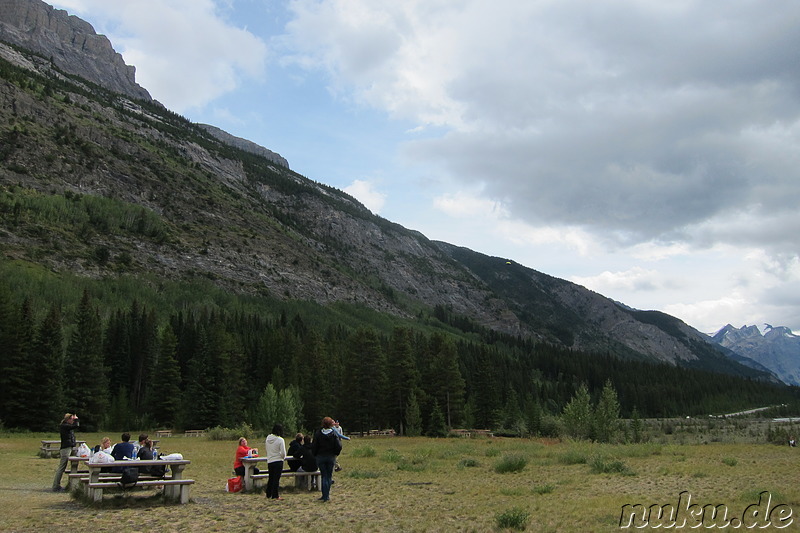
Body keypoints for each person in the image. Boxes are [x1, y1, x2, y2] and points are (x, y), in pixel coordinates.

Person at [311, 416, 342, 502]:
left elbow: (314, 446)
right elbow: (339, 446)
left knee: (323, 476)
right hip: (330, 457)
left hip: (321, 457)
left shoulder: (318, 433)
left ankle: (324, 495)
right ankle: (327, 495)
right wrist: (336, 453)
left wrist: (315, 454)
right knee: (329, 476)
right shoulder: (334, 434)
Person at [52, 413, 79, 492]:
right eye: (72, 419)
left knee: (73, 465)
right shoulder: (64, 426)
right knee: (62, 467)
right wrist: (77, 419)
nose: (73, 421)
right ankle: (56, 486)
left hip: (70, 447)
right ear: (68, 419)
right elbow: (76, 426)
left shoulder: (67, 426)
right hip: (66, 448)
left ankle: (70, 485)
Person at [265, 424, 286, 500]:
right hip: (278, 460)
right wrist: (282, 457)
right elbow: (283, 452)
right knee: (276, 479)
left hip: (270, 460)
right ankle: (275, 495)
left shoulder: (268, 438)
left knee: (271, 478)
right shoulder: (280, 440)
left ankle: (268, 493)